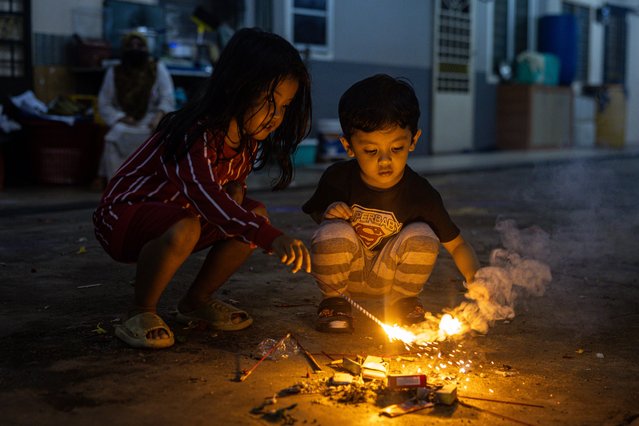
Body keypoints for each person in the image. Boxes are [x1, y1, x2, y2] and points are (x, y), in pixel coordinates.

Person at [93, 28, 312, 349]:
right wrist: (269, 237)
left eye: (284, 106)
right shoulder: (197, 132)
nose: (275, 117)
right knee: (193, 226)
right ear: (239, 86)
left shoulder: (247, 142)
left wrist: (241, 203)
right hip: (123, 218)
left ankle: (196, 301)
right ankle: (139, 311)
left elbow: (228, 195)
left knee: (254, 214)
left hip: (181, 216)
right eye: (269, 102)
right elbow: (204, 194)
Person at [302, 74, 479, 333]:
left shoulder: (421, 194)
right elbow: (320, 224)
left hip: (391, 275)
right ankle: (334, 302)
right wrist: (330, 212)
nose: (385, 160)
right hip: (348, 273)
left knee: (423, 235)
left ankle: (402, 303)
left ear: (413, 141)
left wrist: (477, 280)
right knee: (332, 231)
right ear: (348, 146)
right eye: (371, 151)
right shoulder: (337, 179)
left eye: (396, 148)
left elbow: (458, 244)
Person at [93, 32, 175, 189]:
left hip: (151, 120)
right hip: (125, 121)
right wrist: (121, 117)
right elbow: (104, 103)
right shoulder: (114, 72)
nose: (135, 49)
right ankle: (117, 185)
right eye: (131, 46)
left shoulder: (157, 69)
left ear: (146, 48)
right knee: (113, 137)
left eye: (140, 46)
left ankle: (152, 186)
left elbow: (167, 98)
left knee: (162, 138)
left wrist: (159, 116)